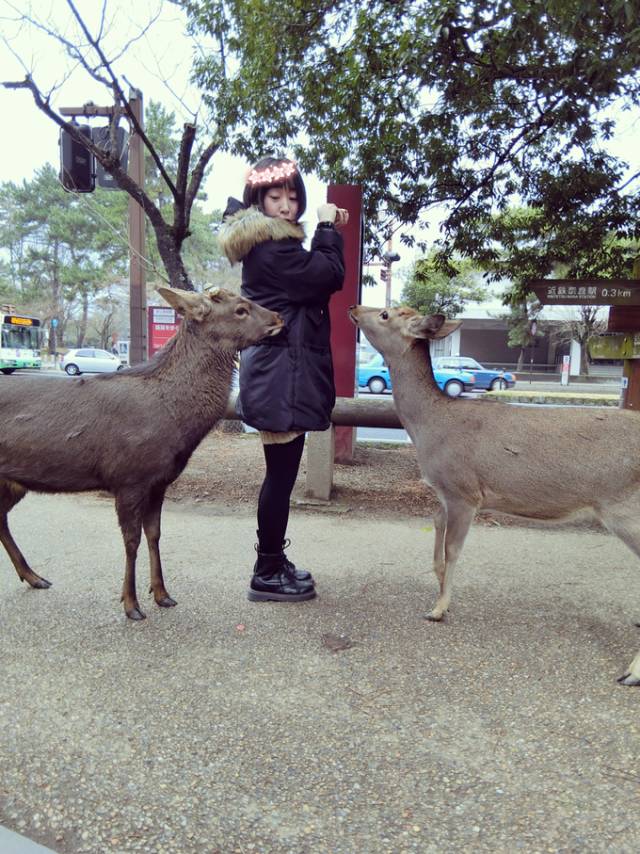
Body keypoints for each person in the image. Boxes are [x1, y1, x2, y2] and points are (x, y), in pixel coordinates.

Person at [218, 156, 348, 603]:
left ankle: (272, 561)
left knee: (281, 476)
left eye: (293, 197)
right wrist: (328, 230)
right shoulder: (272, 249)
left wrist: (324, 230)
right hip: (280, 379)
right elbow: (329, 275)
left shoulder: (270, 245)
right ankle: (267, 570)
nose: (287, 206)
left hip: (278, 376)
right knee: (280, 478)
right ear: (259, 200)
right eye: (276, 198)